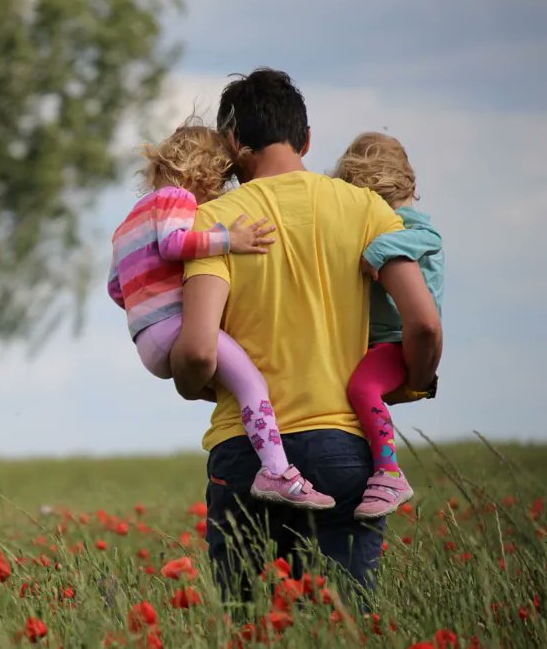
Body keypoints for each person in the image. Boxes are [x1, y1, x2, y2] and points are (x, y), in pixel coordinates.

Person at [169, 68, 442, 597]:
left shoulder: (214, 222)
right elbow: (425, 322)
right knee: (341, 623)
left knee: (250, 627)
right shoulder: (367, 209)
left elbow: (199, 350)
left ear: (232, 143)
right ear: (307, 139)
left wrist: (187, 380)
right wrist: (414, 380)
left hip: (246, 453)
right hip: (344, 448)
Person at [108, 120, 334, 509]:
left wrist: (147, 305)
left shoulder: (127, 223)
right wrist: (232, 240)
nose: (221, 190)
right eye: (221, 178)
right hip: (174, 327)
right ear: (202, 170)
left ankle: (264, 452)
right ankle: (276, 471)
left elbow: (116, 288)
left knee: (233, 385)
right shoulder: (176, 198)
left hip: (146, 339)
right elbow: (174, 244)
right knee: (253, 385)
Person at [335, 132, 444, 519]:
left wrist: (377, 251)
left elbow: (427, 238)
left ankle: (389, 471)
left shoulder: (408, 224)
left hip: (398, 341)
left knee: (362, 387)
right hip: (380, 341)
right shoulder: (388, 221)